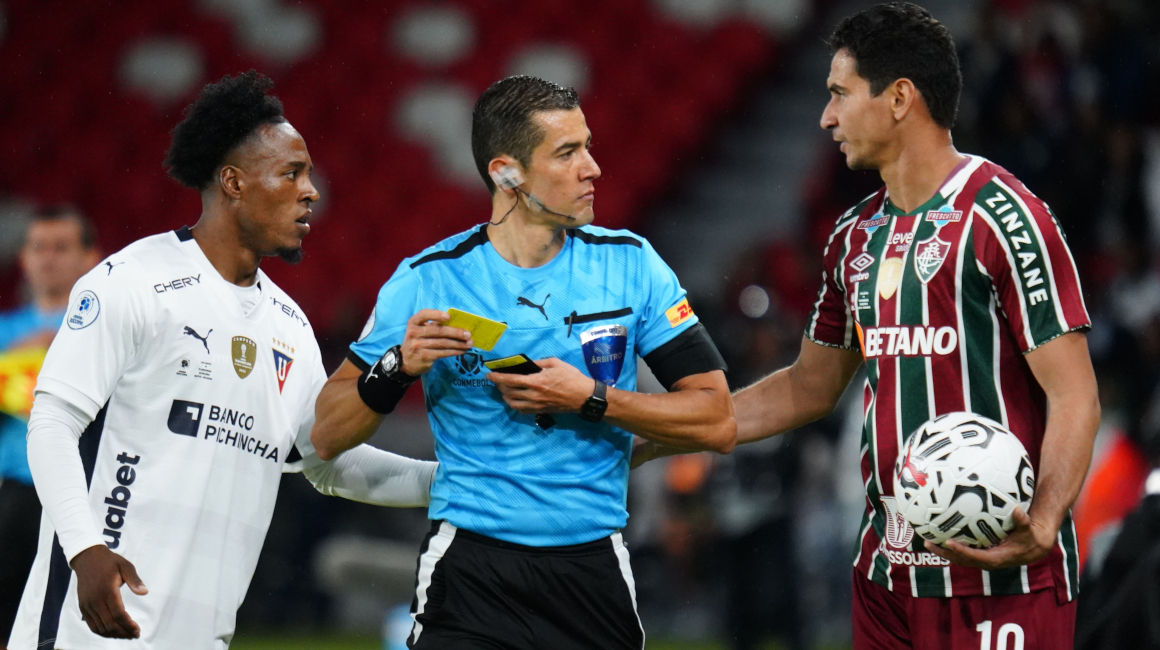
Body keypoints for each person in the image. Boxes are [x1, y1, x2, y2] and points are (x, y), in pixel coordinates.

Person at [633, 4, 1099, 648]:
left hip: (1000, 579)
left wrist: (1046, 517)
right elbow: (806, 388)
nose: (826, 117)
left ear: (900, 98)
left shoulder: (1006, 218)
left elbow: (1075, 392)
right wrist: (665, 434)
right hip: (887, 576)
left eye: (840, 95)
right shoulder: (853, 239)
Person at [7, 71, 437, 650]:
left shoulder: (288, 326)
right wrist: (84, 549)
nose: (311, 191)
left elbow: (328, 463)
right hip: (88, 629)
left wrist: (457, 481)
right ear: (233, 182)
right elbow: (52, 422)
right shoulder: (133, 281)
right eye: (292, 173)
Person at [310, 75, 736, 650]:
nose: (594, 168)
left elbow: (715, 418)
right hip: (470, 572)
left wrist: (590, 398)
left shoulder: (633, 266)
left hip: (593, 570)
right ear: (506, 173)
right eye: (568, 152)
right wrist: (398, 366)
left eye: (587, 145)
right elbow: (328, 431)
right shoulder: (429, 279)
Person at [0, 207, 100, 647]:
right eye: (39, 247)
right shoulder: (5, 332)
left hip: (84, 490)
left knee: (72, 624)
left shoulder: (104, 330)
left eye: (62, 247)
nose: (48, 258)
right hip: (15, 491)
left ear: (90, 258)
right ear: (23, 258)